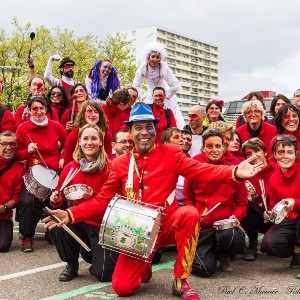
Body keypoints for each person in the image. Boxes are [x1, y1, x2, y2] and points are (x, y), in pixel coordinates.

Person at [44, 103, 263, 300]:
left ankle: (180, 280)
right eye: (138, 127)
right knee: (121, 288)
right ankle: (144, 264)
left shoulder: (171, 154)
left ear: (155, 129)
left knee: (189, 213)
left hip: (166, 224)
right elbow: (103, 200)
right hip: (136, 234)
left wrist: (234, 171)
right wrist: (70, 214)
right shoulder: (120, 164)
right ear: (130, 132)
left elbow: (201, 170)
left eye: (148, 126)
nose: (144, 132)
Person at [50, 123, 118, 281]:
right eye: (85, 138)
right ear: (79, 142)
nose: (89, 142)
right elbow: (59, 197)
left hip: (101, 225)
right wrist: (55, 199)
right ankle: (71, 263)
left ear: (100, 142)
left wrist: (92, 195)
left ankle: (92, 254)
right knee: (58, 224)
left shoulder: (109, 168)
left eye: (94, 138)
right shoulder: (70, 168)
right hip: (77, 220)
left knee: (103, 274)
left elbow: (111, 201)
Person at [184, 128, 248, 277]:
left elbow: (242, 203)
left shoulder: (235, 169)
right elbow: (188, 199)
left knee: (231, 237)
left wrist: (235, 218)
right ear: (203, 148)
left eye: (218, 146)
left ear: (224, 147)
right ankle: (209, 252)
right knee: (203, 270)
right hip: (203, 227)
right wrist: (194, 218)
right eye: (209, 146)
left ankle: (223, 253)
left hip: (225, 227)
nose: (214, 150)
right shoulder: (194, 165)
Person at [16, 96, 67, 252]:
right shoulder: (22, 129)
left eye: (41, 108)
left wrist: (63, 157)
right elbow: (15, 154)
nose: (38, 112)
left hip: (54, 173)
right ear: (29, 111)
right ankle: (27, 237)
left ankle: (52, 231)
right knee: (27, 201)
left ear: (46, 109)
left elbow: (68, 145)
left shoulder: (56, 126)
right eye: (34, 109)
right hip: (33, 174)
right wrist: (27, 151)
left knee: (60, 199)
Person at [260, 135, 300, 278]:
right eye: (281, 152)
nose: (285, 156)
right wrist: (270, 214)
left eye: (290, 152)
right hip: (287, 222)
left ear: (296, 154)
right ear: (275, 155)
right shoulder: (274, 179)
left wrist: (296, 203)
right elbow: (274, 205)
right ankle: (297, 251)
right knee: (268, 244)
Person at [240, 138, 278, 261]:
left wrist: (273, 210)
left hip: (278, 215)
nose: (254, 156)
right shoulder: (246, 173)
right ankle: (252, 243)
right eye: (249, 154)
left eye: (257, 151)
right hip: (258, 216)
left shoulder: (277, 170)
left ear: (265, 153)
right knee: (247, 204)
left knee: (270, 247)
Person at [133, 42, 185, 129]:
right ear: (148, 57)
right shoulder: (142, 68)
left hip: (165, 96)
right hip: (150, 96)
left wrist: (166, 97)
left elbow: (175, 84)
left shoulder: (164, 67)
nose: (155, 59)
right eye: (153, 56)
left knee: (171, 117)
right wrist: (143, 97)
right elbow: (136, 85)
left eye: (157, 57)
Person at [63, 100, 112, 165]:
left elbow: (108, 158)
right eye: (89, 111)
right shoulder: (74, 134)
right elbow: (67, 160)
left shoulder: (106, 134)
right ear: (83, 115)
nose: (93, 115)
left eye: (96, 112)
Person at [0, 131, 24, 252]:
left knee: (2, 246)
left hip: (3, 213)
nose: (8, 147)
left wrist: (4, 207)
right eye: (4, 144)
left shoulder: (19, 168)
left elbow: (16, 197)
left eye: (12, 144)